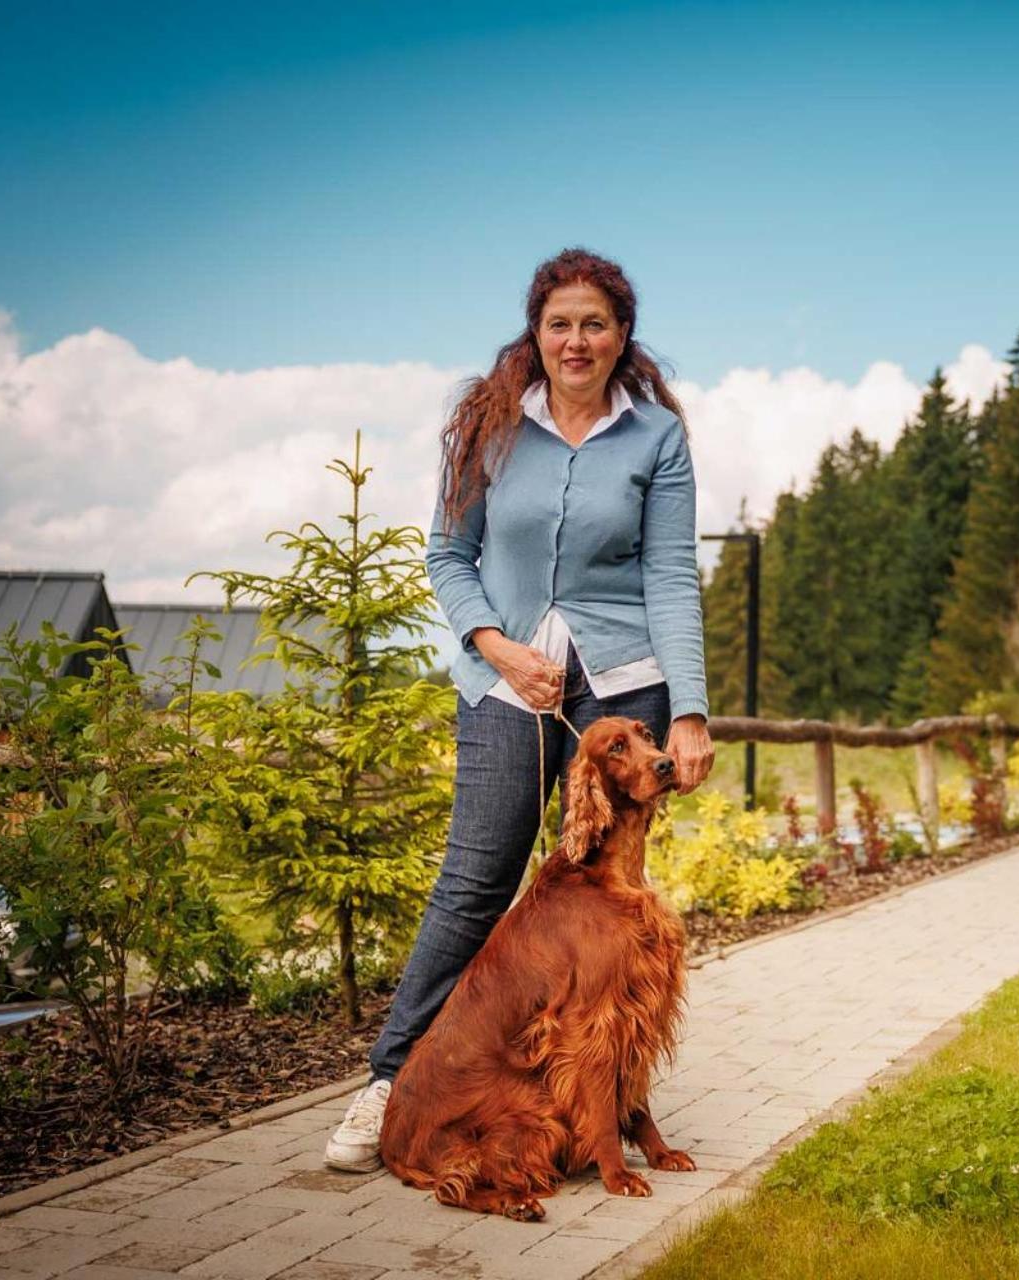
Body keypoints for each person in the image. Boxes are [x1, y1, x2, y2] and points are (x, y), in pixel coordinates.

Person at [325, 248, 715, 1172]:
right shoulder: (490, 429)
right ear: (534, 333)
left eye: (595, 324)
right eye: (559, 323)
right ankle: (389, 1081)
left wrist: (688, 711)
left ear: (623, 336)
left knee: (609, 908)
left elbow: (667, 573)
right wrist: (497, 647)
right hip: (505, 683)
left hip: (624, 684)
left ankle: (609, 1101)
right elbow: (445, 556)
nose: (576, 341)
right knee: (477, 880)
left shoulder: (656, 436)